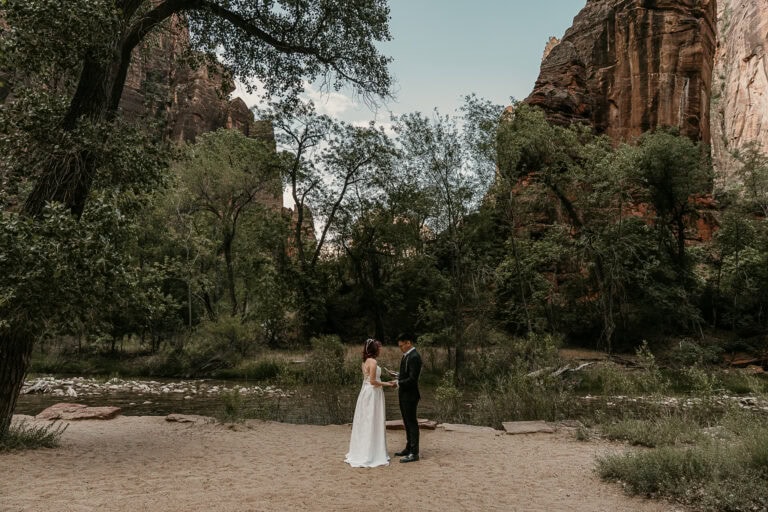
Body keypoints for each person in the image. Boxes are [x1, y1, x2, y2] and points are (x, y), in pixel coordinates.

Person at [344, 338, 395, 468]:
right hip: (373, 393)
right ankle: (372, 452)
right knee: (373, 420)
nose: (380, 350)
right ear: (374, 349)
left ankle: (364, 450)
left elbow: (367, 380)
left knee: (366, 421)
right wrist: (388, 384)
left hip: (366, 393)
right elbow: (373, 381)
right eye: (379, 348)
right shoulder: (373, 362)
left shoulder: (365, 361)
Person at [392, 333, 422, 463]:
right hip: (404, 394)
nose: (400, 348)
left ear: (408, 343)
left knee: (411, 423)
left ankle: (414, 453)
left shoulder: (414, 357)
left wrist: (398, 383)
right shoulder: (407, 355)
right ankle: (409, 448)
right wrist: (398, 375)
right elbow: (407, 374)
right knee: (406, 422)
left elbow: (413, 379)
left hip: (410, 395)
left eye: (401, 346)